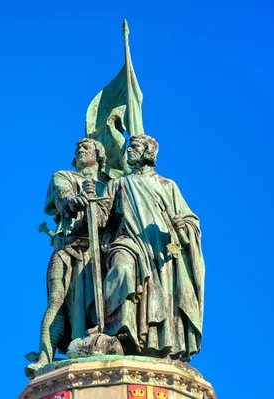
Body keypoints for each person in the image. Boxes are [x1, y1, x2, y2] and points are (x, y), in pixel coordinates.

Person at [93, 134, 205, 361]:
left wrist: (185, 226)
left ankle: (154, 341)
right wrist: (90, 205)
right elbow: (101, 217)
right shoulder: (118, 184)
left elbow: (191, 220)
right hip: (128, 242)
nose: (129, 151)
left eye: (134, 147)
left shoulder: (167, 185)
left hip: (160, 251)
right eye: (129, 148)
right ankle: (115, 329)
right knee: (122, 270)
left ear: (148, 153)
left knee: (160, 297)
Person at [27, 138, 108, 372]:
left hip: (97, 256)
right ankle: (45, 356)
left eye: (87, 147)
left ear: (99, 155)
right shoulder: (63, 176)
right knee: (57, 302)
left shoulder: (109, 186)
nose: (81, 149)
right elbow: (63, 198)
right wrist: (75, 202)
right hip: (66, 248)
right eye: (78, 148)